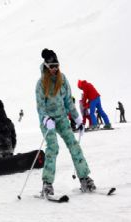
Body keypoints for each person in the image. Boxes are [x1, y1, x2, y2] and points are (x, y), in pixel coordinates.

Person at [36, 48, 96, 196]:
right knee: (53, 147)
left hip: (62, 118)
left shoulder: (63, 80)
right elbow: (40, 107)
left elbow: (69, 101)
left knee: (74, 144)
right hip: (48, 121)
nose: (55, 69)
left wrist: (77, 119)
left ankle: (84, 178)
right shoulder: (40, 84)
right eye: (52, 66)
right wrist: (45, 119)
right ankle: (47, 183)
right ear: (46, 66)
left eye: (57, 65)